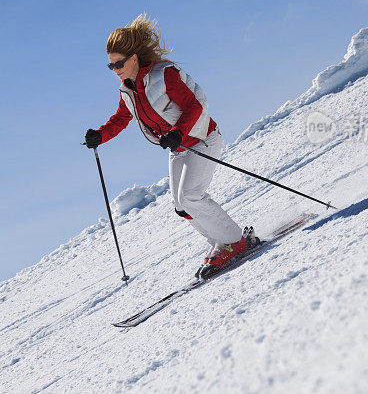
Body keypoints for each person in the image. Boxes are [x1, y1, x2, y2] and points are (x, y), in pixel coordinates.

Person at [84, 14, 258, 279]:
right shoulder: (127, 91)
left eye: (119, 63)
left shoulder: (164, 75)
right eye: (111, 66)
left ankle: (233, 241)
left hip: (202, 139)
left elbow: (195, 105)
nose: (116, 70)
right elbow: (121, 118)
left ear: (133, 58)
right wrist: (99, 135)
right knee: (181, 205)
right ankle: (221, 241)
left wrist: (178, 132)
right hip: (179, 148)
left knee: (191, 196)